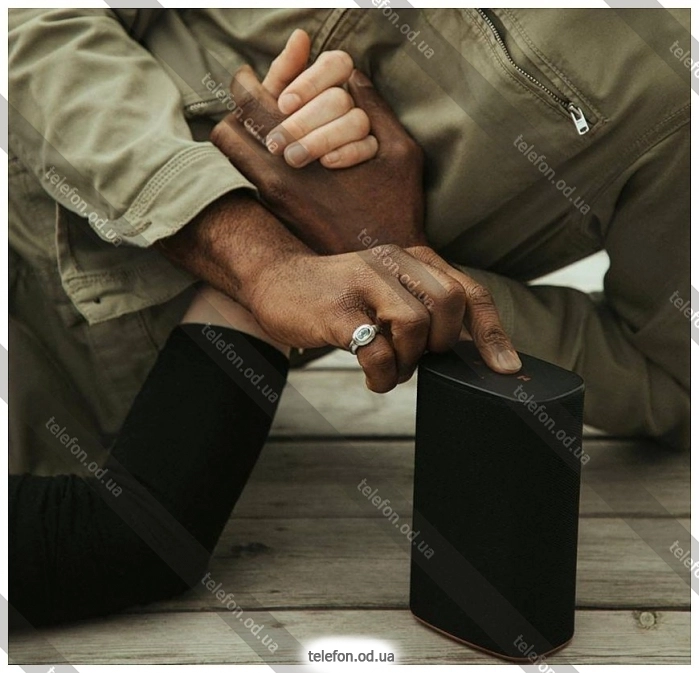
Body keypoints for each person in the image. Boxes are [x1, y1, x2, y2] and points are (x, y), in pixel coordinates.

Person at [8, 10, 688, 482]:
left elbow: (671, 382)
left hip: (141, 439)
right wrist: (259, 255)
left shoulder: (675, 85)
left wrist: (399, 260)